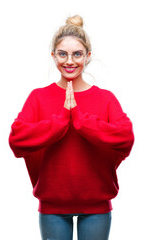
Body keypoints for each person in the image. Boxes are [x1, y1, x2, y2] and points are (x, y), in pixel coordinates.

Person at [9, 15, 134, 240]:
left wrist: (80, 119)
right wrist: (59, 121)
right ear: (53, 55)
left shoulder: (105, 98)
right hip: (52, 207)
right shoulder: (38, 97)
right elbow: (17, 140)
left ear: (87, 56)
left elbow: (125, 137)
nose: (69, 61)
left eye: (77, 54)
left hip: (96, 206)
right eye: (62, 54)